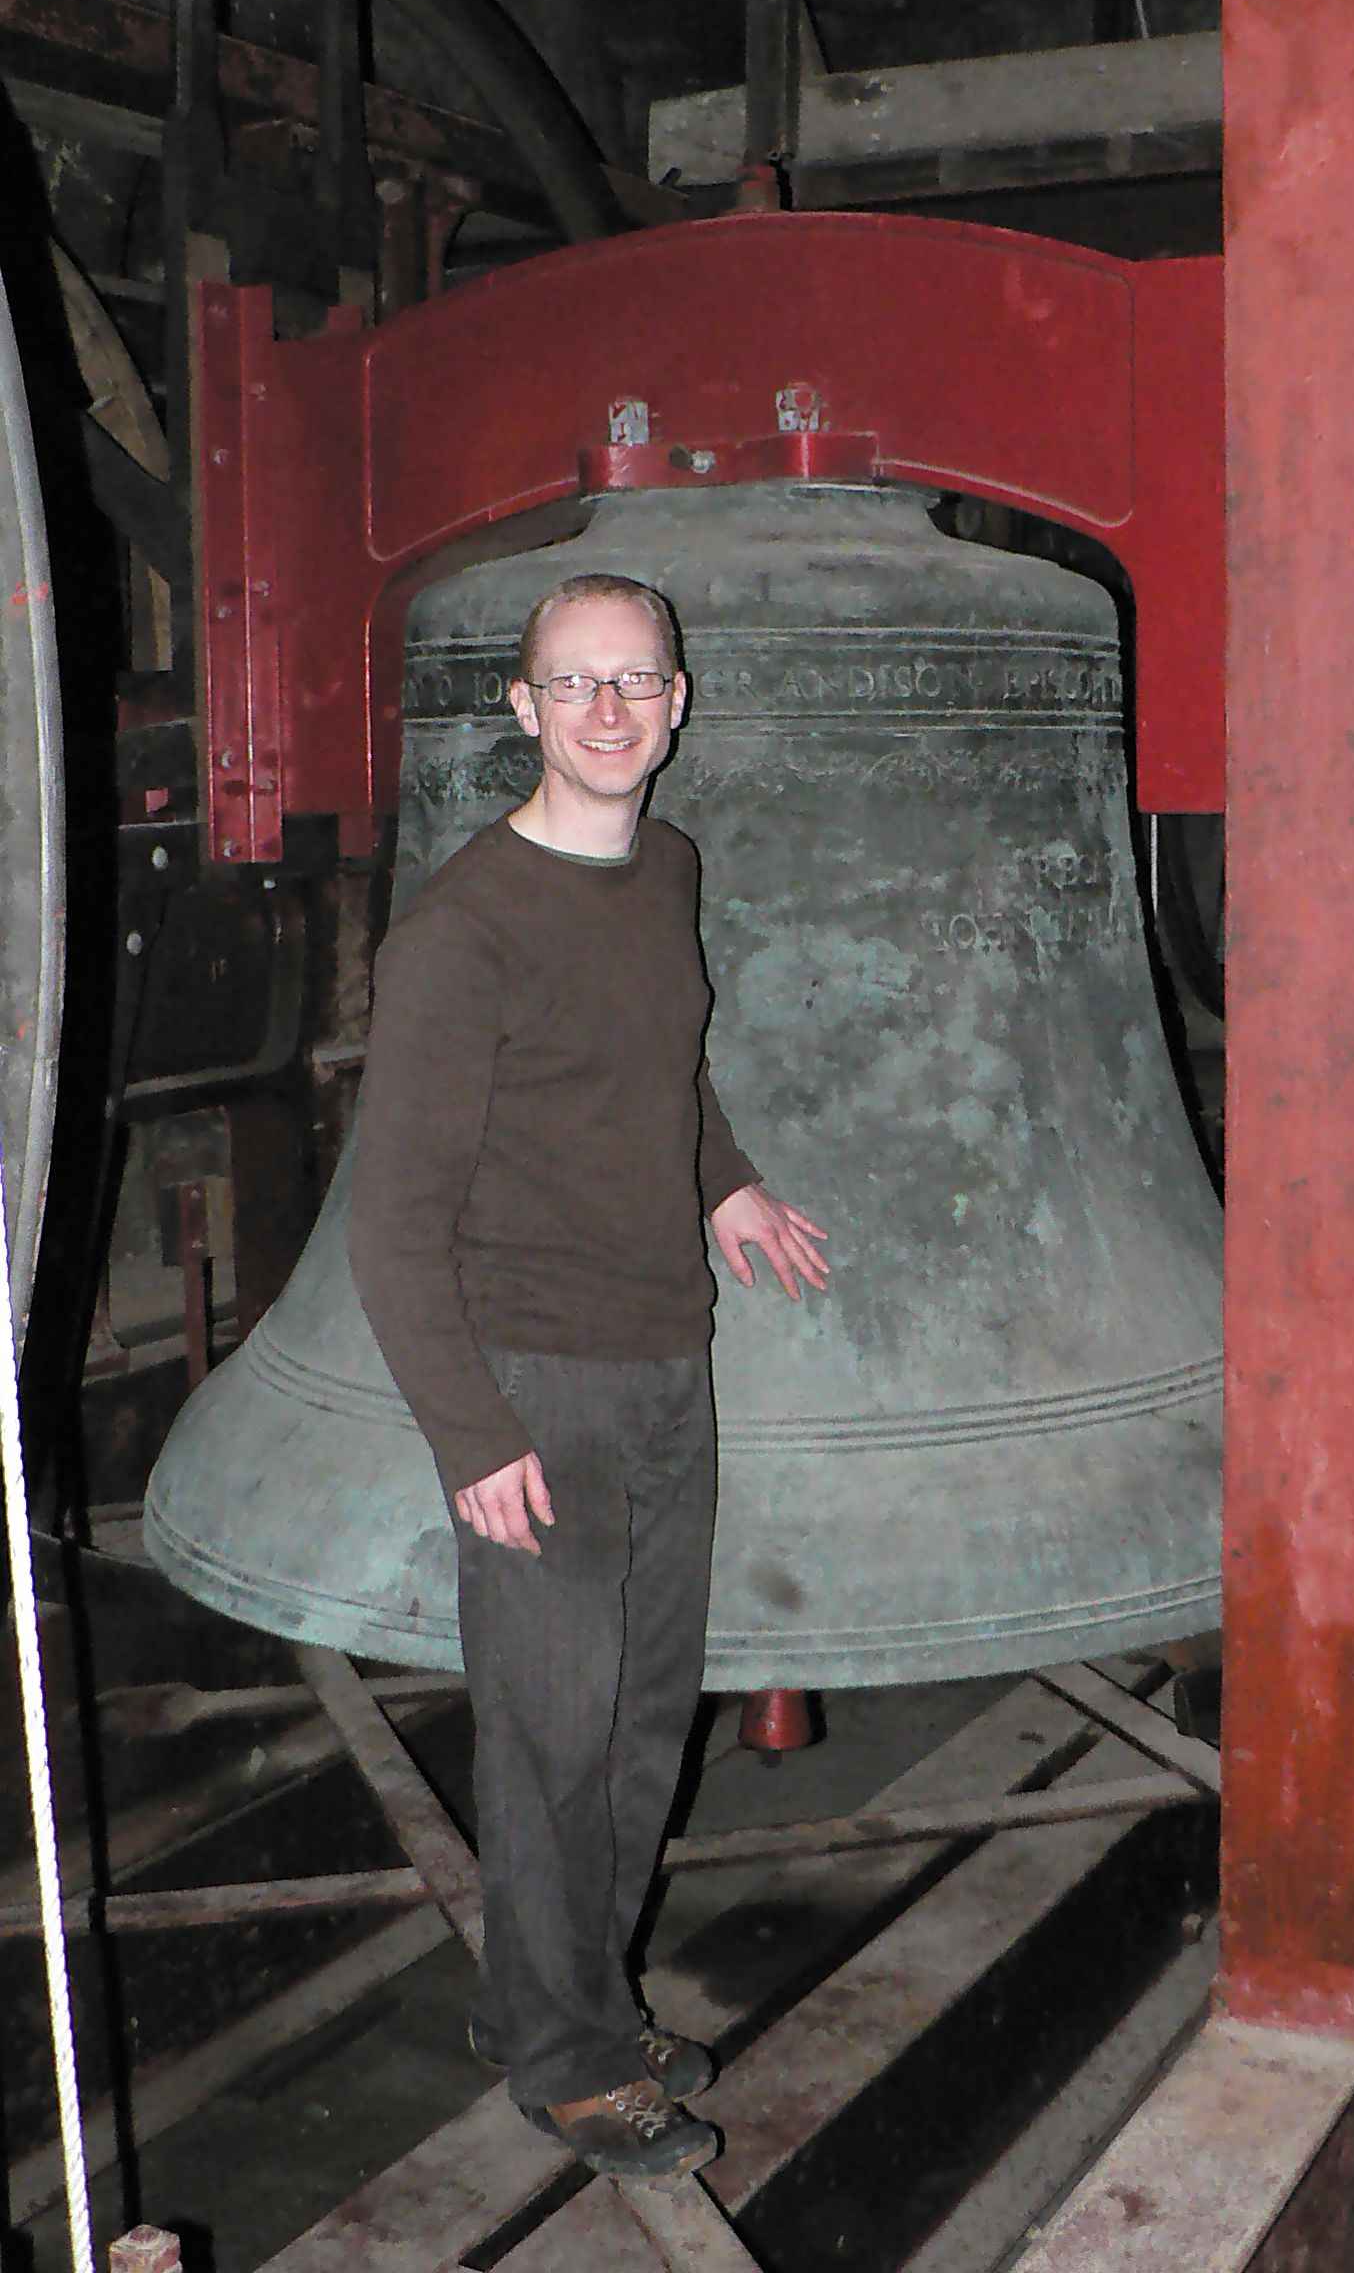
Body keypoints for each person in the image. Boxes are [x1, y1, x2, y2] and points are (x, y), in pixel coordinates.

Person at [348, 569, 828, 2182]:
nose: (609, 711)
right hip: (532, 1386)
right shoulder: (460, 937)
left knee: (635, 1728)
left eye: (638, 682)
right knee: (550, 1739)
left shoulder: (667, 869)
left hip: (665, 1358)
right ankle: (564, 2059)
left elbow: (663, 1063)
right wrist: (471, 1433)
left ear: (678, 704)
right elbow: (392, 1224)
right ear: (524, 711)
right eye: (576, 685)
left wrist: (725, 1176)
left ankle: (562, 2000)